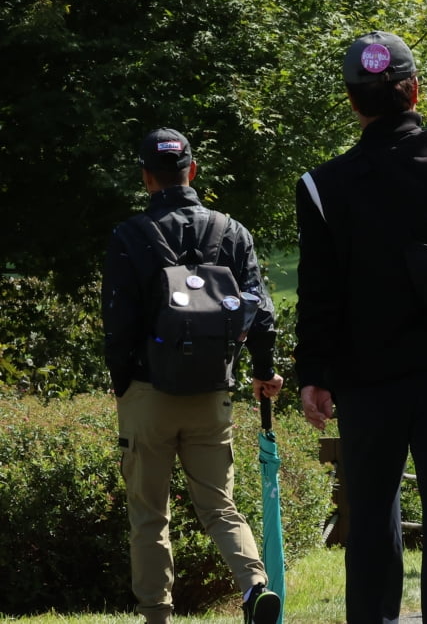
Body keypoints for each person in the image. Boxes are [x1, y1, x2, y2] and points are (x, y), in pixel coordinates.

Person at [295, 31, 427, 624]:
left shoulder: (322, 185)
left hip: (365, 379)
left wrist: (314, 374)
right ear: (412, 90)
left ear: (353, 101)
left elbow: (319, 292)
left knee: (372, 514)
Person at [102, 128, 284, 624]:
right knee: (219, 506)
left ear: (146, 178)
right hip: (211, 391)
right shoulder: (231, 232)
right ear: (193, 171)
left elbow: (116, 324)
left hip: (147, 392)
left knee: (149, 515)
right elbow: (260, 312)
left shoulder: (129, 237)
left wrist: (124, 387)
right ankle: (253, 586)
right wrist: (264, 371)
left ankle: (157, 616)